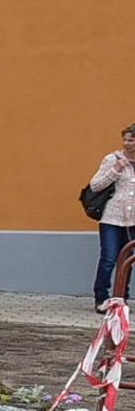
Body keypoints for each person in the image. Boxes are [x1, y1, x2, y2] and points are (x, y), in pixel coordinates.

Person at [87, 124, 135, 313]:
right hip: (112, 219)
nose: (127, 143)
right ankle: (101, 297)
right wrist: (116, 169)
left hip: (133, 221)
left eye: (131, 140)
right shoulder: (112, 159)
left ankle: (121, 298)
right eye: (125, 139)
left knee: (128, 260)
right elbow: (96, 185)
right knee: (108, 258)